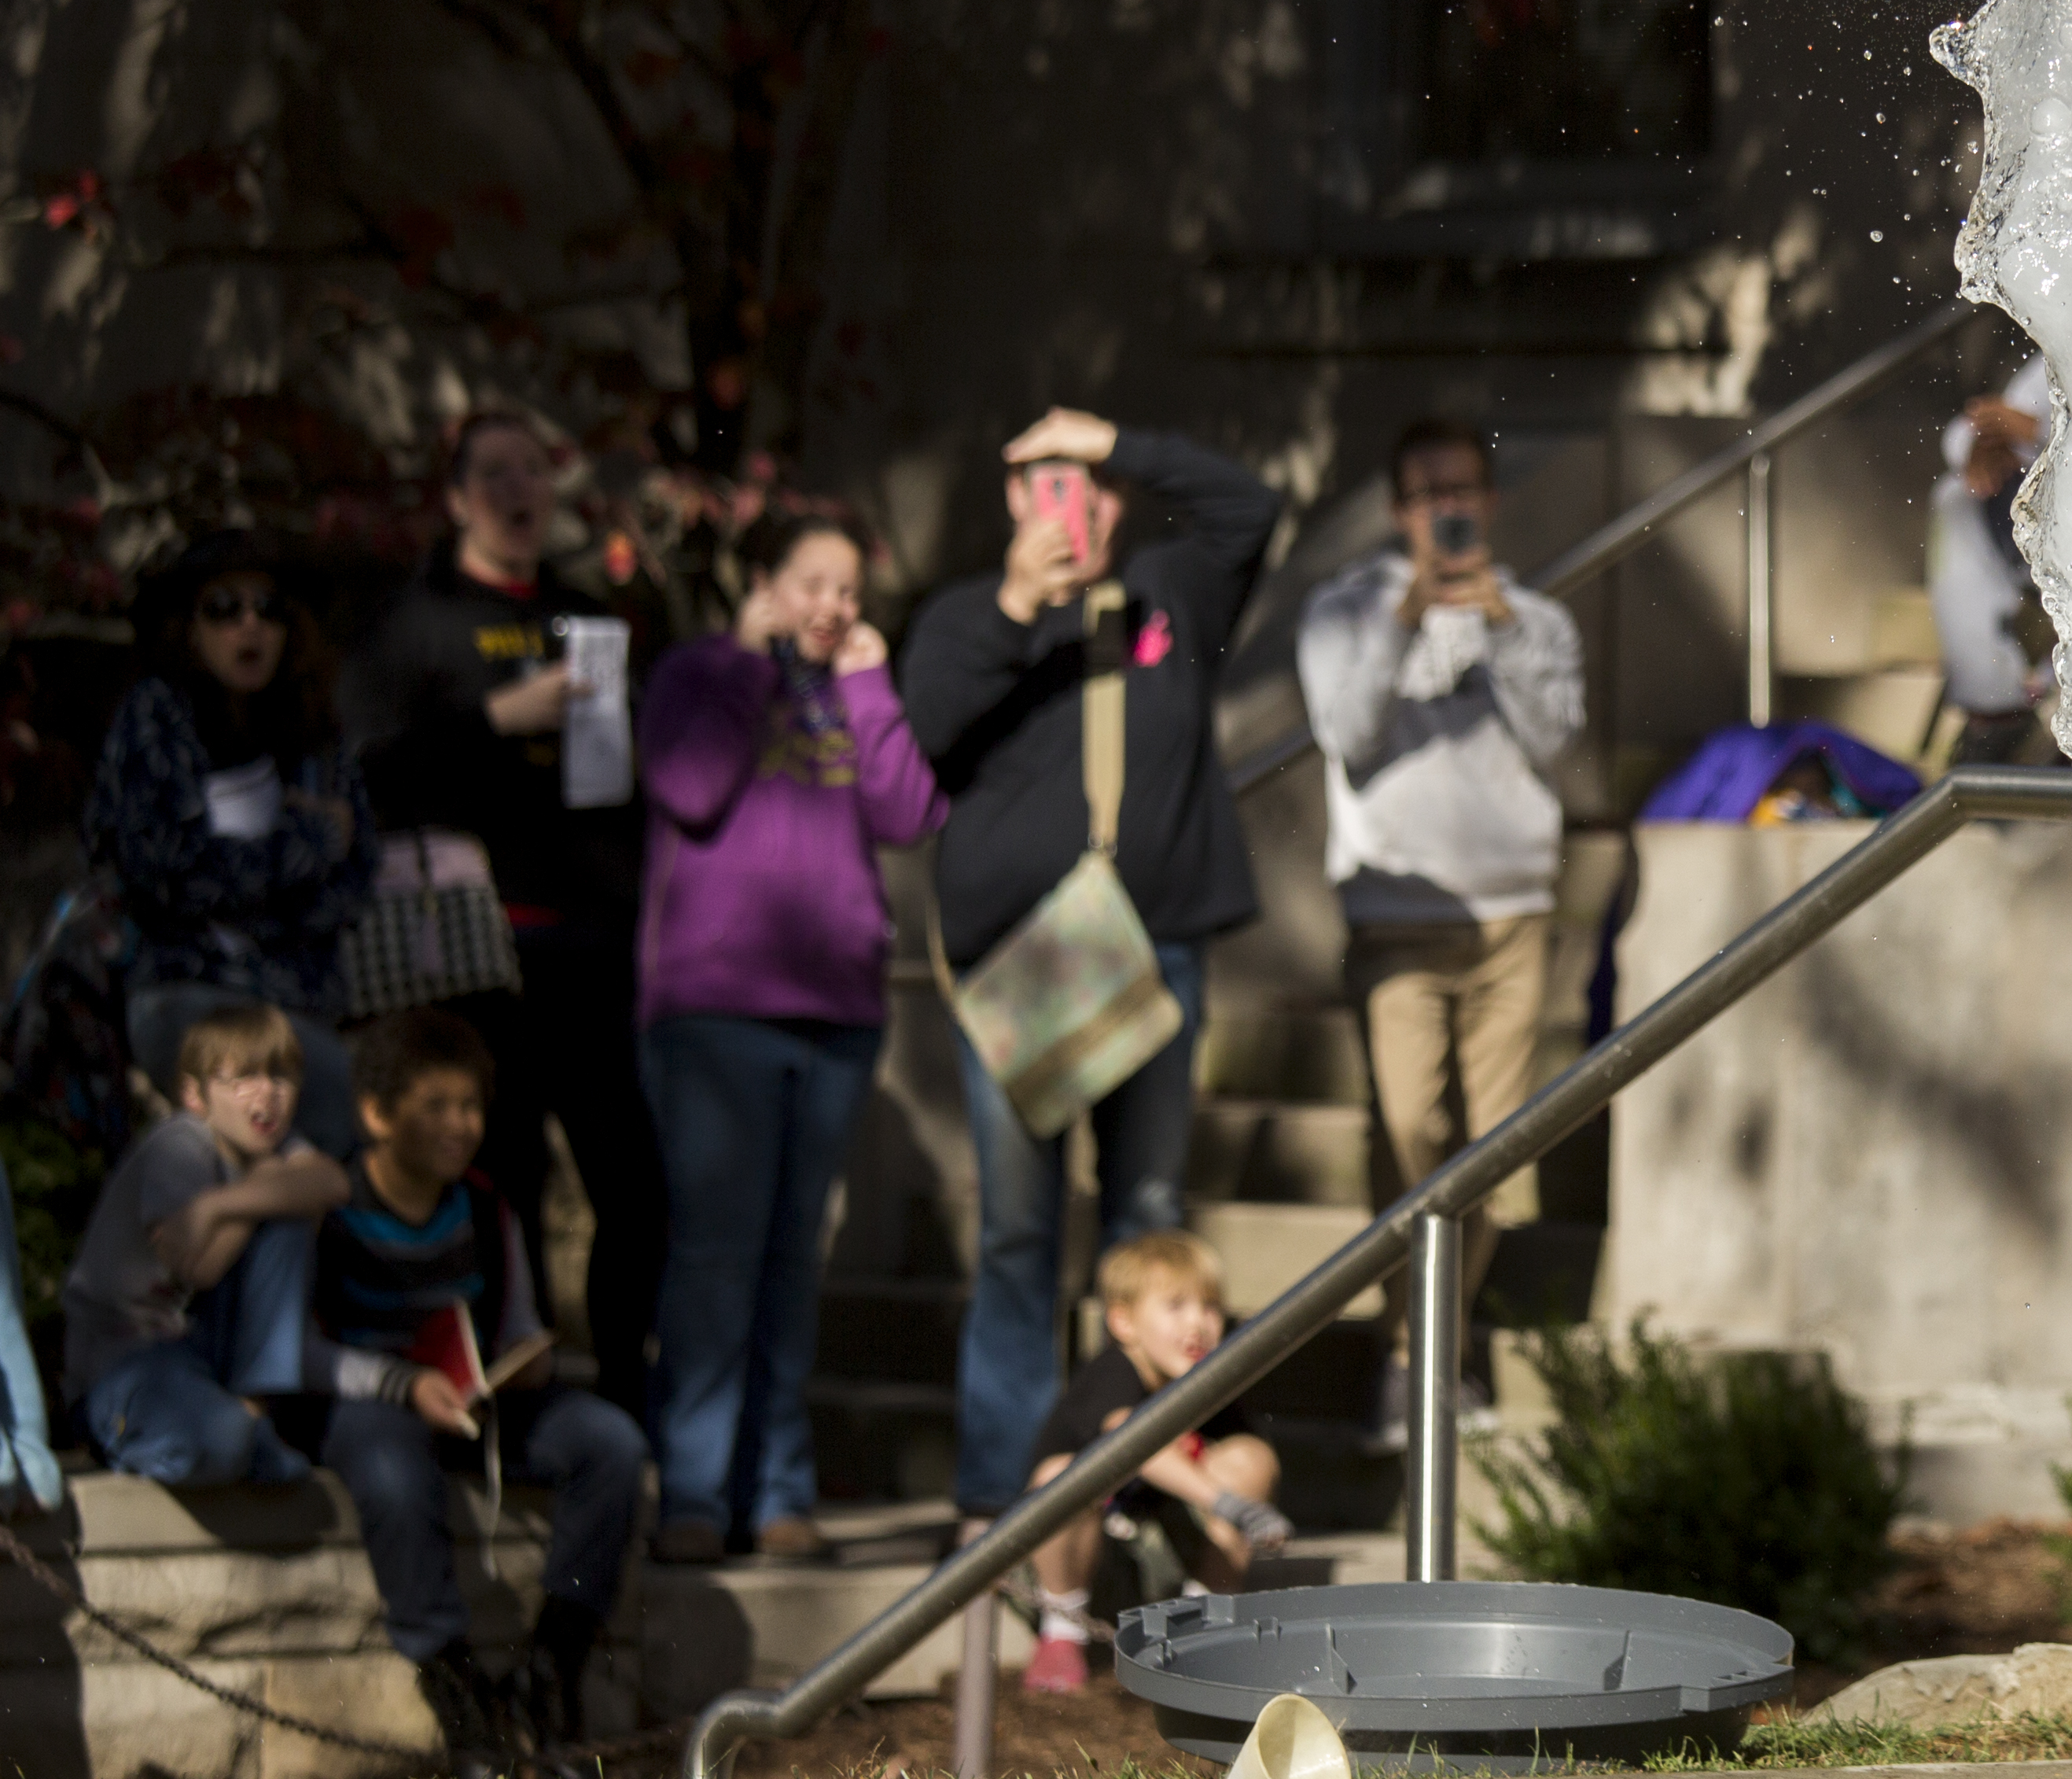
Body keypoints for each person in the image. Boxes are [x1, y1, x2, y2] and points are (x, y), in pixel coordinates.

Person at [901, 408, 1283, 1538]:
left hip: (1152, 947)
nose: (1079, 508)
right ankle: (1002, 1503)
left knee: (1146, 1219)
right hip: (1024, 961)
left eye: (1094, 487)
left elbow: (1249, 506)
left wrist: (1117, 440)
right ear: (1015, 502)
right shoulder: (967, 617)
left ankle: (1131, 1490)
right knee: (1019, 1235)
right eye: (1053, 487)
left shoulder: (1172, 592)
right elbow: (922, 732)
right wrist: (1021, 603)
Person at [635, 512, 950, 1564]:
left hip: (839, 1017)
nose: (833, 607)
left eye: (849, 589)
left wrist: (868, 688)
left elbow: (909, 814)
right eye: (812, 583)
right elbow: (690, 785)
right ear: (765, 583)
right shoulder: (697, 673)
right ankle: (691, 1493)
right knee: (715, 1261)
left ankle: (777, 1497)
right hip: (717, 1011)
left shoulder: (851, 689)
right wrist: (743, 661)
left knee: (787, 1264)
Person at [343, 411, 668, 1405]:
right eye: (496, 475)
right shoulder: (414, 623)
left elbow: (628, 794)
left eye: (537, 470)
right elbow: (371, 772)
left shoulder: (588, 617)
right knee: (506, 1184)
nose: (521, 492)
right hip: (472, 967)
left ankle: (620, 1395)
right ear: (454, 499)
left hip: (590, 951)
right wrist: (499, 719)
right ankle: (503, 1401)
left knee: (636, 1189)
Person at [1297, 417, 1583, 1437]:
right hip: (1397, 919)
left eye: (1460, 491)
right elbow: (1343, 730)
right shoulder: (1345, 610)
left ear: (1490, 499)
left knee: (1498, 1160)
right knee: (1413, 1138)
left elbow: (1556, 737)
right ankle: (1415, 1356)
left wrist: (1498, 626)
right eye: (1425, 495)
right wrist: (1408, 614)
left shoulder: (1536, 617)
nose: (1445, 511)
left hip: (1515, 914)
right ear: (1397, 508)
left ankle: (1432, 1358)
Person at [308, 1007, 647, 1779]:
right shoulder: (331, 1204)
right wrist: (401, 1385)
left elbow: (519, 1323)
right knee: (391, 1471)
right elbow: (298, 1349)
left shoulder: (488, 1205)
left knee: (610, 1443)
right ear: (376, 1113)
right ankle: (457, 1693)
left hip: (476, 1404)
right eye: (437, 1106)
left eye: (470, 1107)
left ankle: (552, 1668)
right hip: (371, 1405)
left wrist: (523, 1363)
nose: (460, 1126)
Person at [82, 529, 380, 1155]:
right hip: (188, 996)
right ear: (189, 629)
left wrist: (258, 882)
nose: (251, 626)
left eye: (269, 610)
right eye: (225, 609)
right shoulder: (156, 718)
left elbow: (353, 882)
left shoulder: (314, 731)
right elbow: (164, 875)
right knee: (351, 1129)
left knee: (305, 1169)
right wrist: (304, 845)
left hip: (298, 1003)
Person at [57, 1004, 340, 1486]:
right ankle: (217, 1440)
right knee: (224, 1445)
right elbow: (197, 1265)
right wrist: (265, 1190)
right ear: (195, 1095)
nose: (267, 1093)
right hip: (126, 1364)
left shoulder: (273, 1153)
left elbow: (331, 1182)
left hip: (203, 1355)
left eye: (281, 1077)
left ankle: (254, 1414)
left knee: (287, 1226)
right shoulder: (179, 1146)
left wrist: (219, 1206)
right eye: (244, 1078)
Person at [1016, 1228, 1287, 1693]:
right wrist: (1222, 1501)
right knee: (1059, 1478)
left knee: (1252, 1458)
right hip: (1075, 1562)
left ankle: (1206, 1626)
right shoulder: (1113, 1373)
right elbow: (1132, 1440)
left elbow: (1252, 1469)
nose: (1198, 1324)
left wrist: (1245, 1506)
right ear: (1123, 1323)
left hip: (1164, 1551)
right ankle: (1061, 1635)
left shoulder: (1212, 1387)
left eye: (1209, 1306)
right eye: (1176, 1306)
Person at [1929, 353, 2053, 759]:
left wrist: (2036, 431)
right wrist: (1982, 445)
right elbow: (1987, 421)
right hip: (2054, 512)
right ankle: (1996, 708)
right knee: (1955, 498)